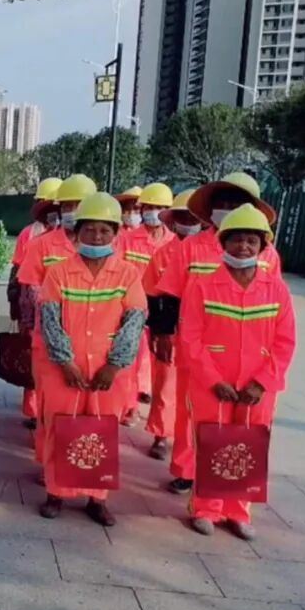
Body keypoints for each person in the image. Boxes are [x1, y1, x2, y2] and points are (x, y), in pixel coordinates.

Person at [150, 172, 281, 495]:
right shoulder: (191, 247)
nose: (228, 209)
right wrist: (163, 333)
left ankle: (230, 484)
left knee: (243, 422)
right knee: (191, 410)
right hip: (197, 345)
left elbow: (277, 304)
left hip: (251, 351)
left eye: (236, 203)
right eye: (222, 203)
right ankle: (186, 469)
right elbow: (169, 293)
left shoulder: (267, 254)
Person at [179, 204, 296, 539]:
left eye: (251, 241)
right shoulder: (202, 286)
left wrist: (262, 382)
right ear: (223, 242)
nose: (243, 246)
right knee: (212, 441)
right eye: (236, 239)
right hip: (212, 383)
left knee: (249, 444)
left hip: (257, 387)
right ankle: (205, 508)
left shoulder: (277, 289)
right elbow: (190, 338)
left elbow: (286, 341)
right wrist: (213, 380)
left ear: (262, 246)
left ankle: (238, 511)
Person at [36, 192, 146, 526]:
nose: (97, 237)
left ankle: (97, 498)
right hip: (63, 369)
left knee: (102, 432)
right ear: (77, 232)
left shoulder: (127, 274)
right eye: (89, 229)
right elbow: (49, 319)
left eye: (104, 230)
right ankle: (56, 493)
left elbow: (134, 321)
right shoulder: (59, 273)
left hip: (107, 371)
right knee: (60, 427)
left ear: (116, 233)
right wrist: (65, 362)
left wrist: (114, 365)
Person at [17, 173, 98, 463]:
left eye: (79, 204)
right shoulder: (41, 244)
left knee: (93, 413)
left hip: (95, 345)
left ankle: (87, 473)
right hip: (49, 342)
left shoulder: (109, 246)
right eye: (66, 205)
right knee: (51, 409)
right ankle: (50, 467)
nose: (72, 211)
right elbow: (30, 289)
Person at [140, 189, 199, 460]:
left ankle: (191, 442)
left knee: (197, 391)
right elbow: (153, 294)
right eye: (183, 217)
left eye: (193, 218)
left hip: (204, 333)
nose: (188, 223)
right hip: (171, 329)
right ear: (174, 221)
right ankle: (161, 435)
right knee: (165, 383)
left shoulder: (215, 252)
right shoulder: (164, 254)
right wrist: (159, 332)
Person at [116, 182, 174, 425]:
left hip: (162, 311)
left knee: (161, 366)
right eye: (148, 207)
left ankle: (159, 420)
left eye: (158, 207)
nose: (153, 212)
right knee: (132, 358)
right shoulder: (128, 239)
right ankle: (129, 407)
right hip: (133, 308)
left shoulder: (173, 242)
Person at [8, 177, 62, 428]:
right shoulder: (29, 235)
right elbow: (18, 270)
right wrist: (16, 304)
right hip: (33, 307)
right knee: (34, 359)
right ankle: (33, 410)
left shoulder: (79, 239)